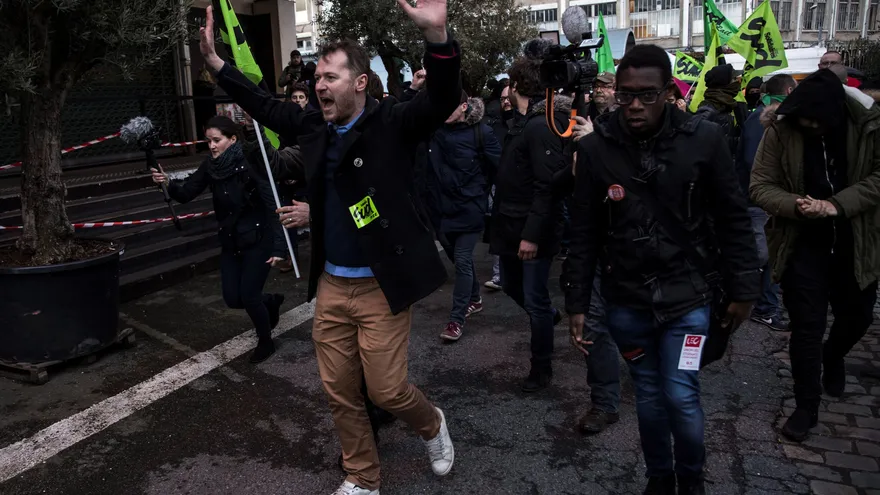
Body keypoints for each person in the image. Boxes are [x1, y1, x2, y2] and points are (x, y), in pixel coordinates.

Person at [199, 1, 459, 493]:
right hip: (333, 286)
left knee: (386, 390)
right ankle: (363, 477)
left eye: (330, 77)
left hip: (382, 287)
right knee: (340, 391)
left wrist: (438, 36)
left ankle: (432, 424)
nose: (319, 85)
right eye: (316, 76)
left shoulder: (394, 123)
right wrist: (216, 64)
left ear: (360, 82)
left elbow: (442, 98)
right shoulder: (313, 126)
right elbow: (262, 103)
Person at [563, 45, 760, 494]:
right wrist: (577, 300)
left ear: (669, 92)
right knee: (649, 396)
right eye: (626, 95)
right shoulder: (595, 149)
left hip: (689, 296)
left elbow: (733, 217)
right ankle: (660, 478)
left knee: (681, 394)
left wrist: (745, 288)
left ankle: (691, 482)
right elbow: (584, 231)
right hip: (626, 301)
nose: (633, 105)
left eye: (647, 95)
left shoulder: (704, 139)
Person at [750, 69, 880, 443]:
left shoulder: (868, 126)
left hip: (856, 239)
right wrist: (797, 206)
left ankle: (834, 354)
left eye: (817, 122)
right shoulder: (780, 127)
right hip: (801, 242)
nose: (809, 126)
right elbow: (760, 185)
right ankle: (806, 405)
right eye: (803, 119)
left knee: (857, 316)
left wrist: (836, 206)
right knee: (805, 326)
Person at [151, 116, 286, 364]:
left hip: (258, 239)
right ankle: (271, 301)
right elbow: (186, 192)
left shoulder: (250, 162)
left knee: (249, 295)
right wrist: (167, 182)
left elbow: (271, 204)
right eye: (208, 141)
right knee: (233, 298)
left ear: (232, 139)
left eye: (217, 140)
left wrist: (280, 245)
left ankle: (266, 341)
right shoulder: (211, 166)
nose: (211, 146)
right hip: (231, 241)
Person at [491, 53, 569, 393]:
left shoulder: (540, 126)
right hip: (509, 225)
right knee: (510, 284)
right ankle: (548, 317)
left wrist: (532, 236)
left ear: (518, 85)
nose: (505, 89)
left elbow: (547, 187)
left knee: (535, 299)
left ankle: (542, 369)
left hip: (530, 230)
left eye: (509, 82)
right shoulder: (522, 123)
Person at [424, 92, 502, 341]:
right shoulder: (434, 131)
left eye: (449, 107)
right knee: (455, 257)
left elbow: (501, 168)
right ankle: (475, 298)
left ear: (464, 107)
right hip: (441, 212)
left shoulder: (483, 133)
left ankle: (456, 320)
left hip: (470, 209)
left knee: (463, 260)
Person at [737, 74, 797, 332]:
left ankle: (765, 305)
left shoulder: (771, 117)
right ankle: (759, 305)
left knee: (769, 256)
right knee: (763, 256)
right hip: (758, 201)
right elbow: (754, 164)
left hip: (766, 201)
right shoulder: (759, 119)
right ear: (789, 89)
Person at [484, 81, 513, 292]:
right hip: (498, 183)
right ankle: (499, 275)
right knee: (499, 228)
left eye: (508, 98)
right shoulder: (494, 124)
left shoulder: (529, 123)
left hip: (522, 186)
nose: (505, 102)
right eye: (502, 99)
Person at [695, 64, 748, 161]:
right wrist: (739, 142)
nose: (737, 82)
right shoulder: (707, 111)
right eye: (734, 79)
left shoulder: (732, 105)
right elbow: (701, 144)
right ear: (724, 84)